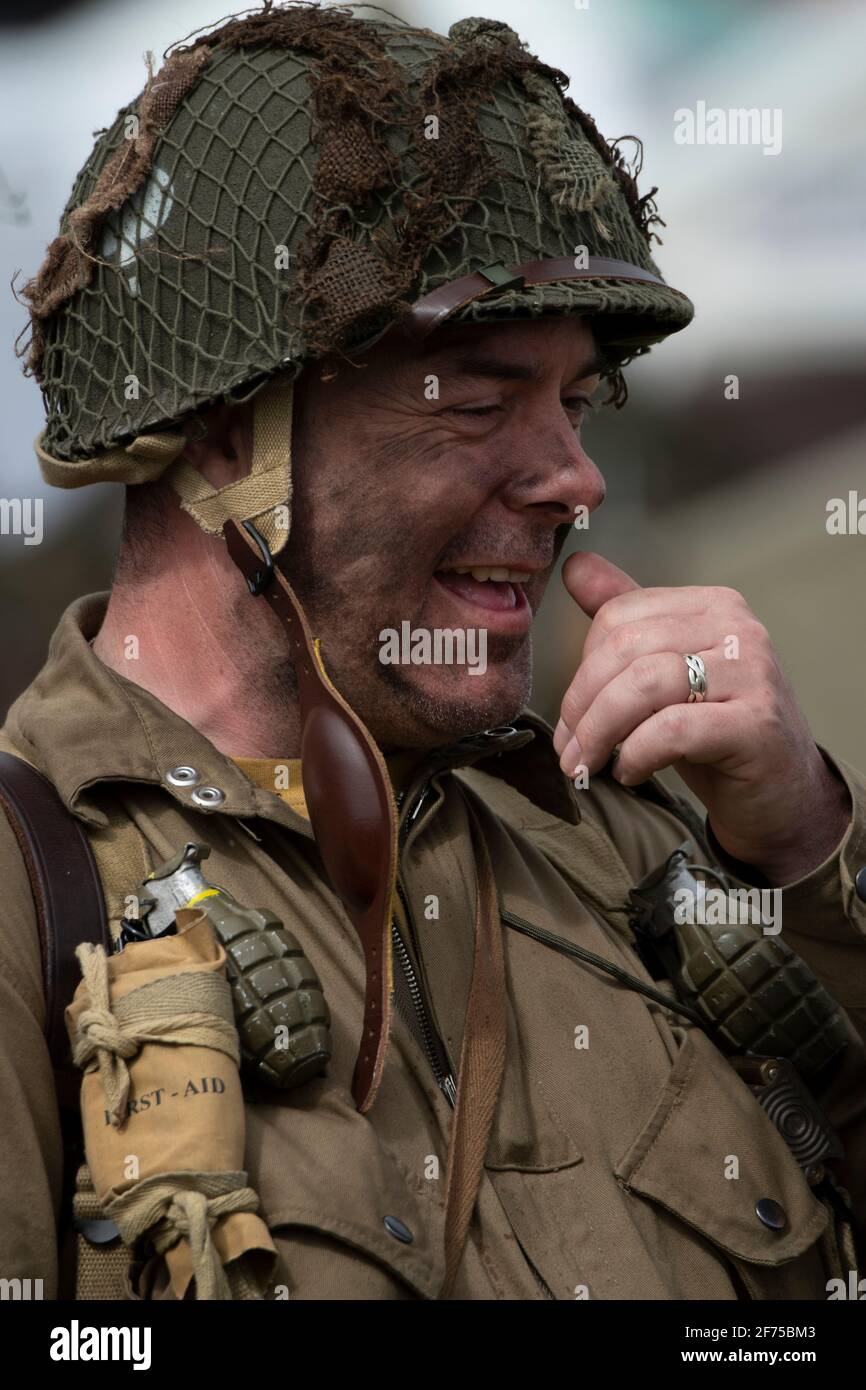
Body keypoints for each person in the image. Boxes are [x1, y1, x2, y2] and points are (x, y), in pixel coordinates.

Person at [2, 4, 864, 1301]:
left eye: (573, 404)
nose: (572, 477)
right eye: (476, 402)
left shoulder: (626, 848)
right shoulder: (33, 897)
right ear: (230, 439)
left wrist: (798, 847)